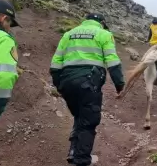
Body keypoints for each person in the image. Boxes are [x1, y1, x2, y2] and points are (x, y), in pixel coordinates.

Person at [49, 13, 126, 166]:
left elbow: (55, 62)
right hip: (89, 81)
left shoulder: (68, 34)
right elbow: (112, 61)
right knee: (89, 122)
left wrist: (59, 85)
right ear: (102, 23)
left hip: (67, 82)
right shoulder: (104, 34)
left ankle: (73, 150)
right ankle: (81, 160)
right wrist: (120, 85)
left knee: (79, 115)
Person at [0, 0, 22, 138]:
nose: (9, 27)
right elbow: (4, 77)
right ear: (3, 18)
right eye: (9, 22)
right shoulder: (3, 39)